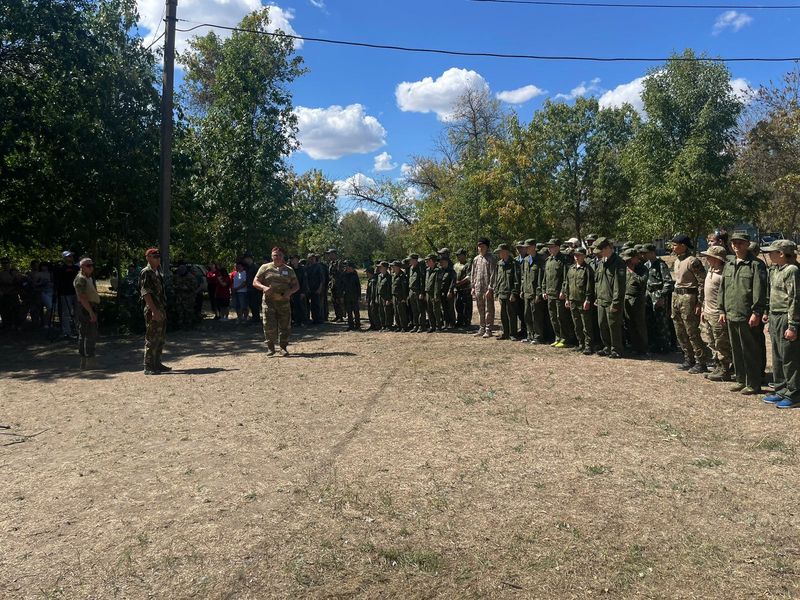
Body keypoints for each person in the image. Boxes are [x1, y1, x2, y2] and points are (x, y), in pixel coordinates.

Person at [719, 233, 767, 395]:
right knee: (736, 349)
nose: (736, 245)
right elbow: (723, 289)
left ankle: (753, 383)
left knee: (750, 350)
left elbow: (759, 291)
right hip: (731, 312)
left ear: (747, 244)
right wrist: (722, 310)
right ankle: (741, 379)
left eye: (740, 243)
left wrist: (757, 312)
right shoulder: (729, 263)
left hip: (748, 315)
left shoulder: (756, 265)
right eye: (734, 243)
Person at [761, 240, 800, 408]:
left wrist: (793, 326)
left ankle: (794, 393)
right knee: (777, 356)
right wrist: (767, 314)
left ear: (782, 254)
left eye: (772, 251)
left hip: (786, 317)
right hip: (775, 316)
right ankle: (781, 389)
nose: (769, 254)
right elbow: (771, 295)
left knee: (789, 357)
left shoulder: (792, 270)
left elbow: (794, 299)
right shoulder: (775, 269)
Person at [671, 234, 710, 374]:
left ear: (683, 245)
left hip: (689, 298)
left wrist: (699, 303)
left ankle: (701, 361)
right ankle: (689, 358)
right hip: (676, 296)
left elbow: (701, 282)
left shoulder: (693, 261)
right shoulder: (676, 261)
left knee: (691, 331)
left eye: (675, 245)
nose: (672, 247)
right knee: (679, 330)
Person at [254, 247, 299, 356]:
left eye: (279, 255)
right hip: (269, 303)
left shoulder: (289, 270)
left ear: (283, 257)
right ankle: (270, 348)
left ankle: (283, 347)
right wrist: (263, 287)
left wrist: (290, 292)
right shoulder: (265, 268)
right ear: (271, 256)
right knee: (268, 325)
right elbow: (255, 282)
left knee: (285, 325)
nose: (277, 257)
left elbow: (296, 285)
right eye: (275, 255)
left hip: (283, 302)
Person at [699, 245, 732, 382]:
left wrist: (722, 311)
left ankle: (725, 369)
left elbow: (726, 295)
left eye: (709, 257)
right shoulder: (710, 270)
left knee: (721, 343)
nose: (707, 259)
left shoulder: (724, 274)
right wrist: (702, 308)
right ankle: (718, 366)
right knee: (711, 341)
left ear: (717, 259)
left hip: (718, 314)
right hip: (707, 312)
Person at [593, 237, 626, 359]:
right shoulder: (601, 262)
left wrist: (616, 303)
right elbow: (598, 281)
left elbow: (619, 286)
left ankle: (616, 349)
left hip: (612, 301)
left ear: (607, 248)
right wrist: (597, 297)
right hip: (601, 300)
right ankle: (607, 347)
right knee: (602, 325)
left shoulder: (618, 263)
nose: (599, 253)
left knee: (614, 326)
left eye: (601, 250)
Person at [139, 248, 169, 375]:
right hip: (153, 309)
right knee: (151, 337)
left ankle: (157, 363)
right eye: (155, 256)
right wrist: (153, 310)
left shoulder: (157, 272)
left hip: (160, 308)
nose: (158, 259)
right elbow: (146, 293)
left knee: (160, 337)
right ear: (148, 258)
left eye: (158, 256)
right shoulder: (146, 272)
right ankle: (148, 365)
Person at [643, 243, 675, 354]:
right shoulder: (646, 265)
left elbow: (668, 282)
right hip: (648, 296)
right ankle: (655, 345)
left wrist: (662, 297)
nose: (644, 255)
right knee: (650, 321)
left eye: (646, 253)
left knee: (662, 322)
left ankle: (665, 346)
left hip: (658, 295)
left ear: (652, 253)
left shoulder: (661, 265)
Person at [542, 239, 574, 348]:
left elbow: (566, 277)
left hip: (559, 294)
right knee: (553, 317)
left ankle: (564, 339)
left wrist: (563, 291)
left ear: (558, 247)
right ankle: (557, 337)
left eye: (552, 246)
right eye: (549, 247)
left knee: (561, 317)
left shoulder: (563, 260)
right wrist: (543, 290)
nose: (550, 249)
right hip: (550, 293)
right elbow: (545, 278)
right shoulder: (548, 260)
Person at [564, 246, 595, 355]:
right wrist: (567, 298)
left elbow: (589, 286)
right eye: (575, 255)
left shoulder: (587, 269)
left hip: (583, 301)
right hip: (573, 300)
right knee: (577, 324)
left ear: (584, 256)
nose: (576, 257)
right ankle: (580, 344)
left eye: (579, 255)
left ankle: (588, 346)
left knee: (586, 325)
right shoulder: (571, 269)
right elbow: (567, 284)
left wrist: (588, 300)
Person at [73, 257, 100, 369]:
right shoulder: (81, 279)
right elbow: (82, 297)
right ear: (82, 267)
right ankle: (86, 361)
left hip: (91, 307)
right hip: (85, 308)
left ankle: (89, 360)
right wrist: (90, 312)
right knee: (86, 334)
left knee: (91, 334)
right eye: (88, 265)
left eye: (92, 265)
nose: (91, 267)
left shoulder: (89, 278)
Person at [622, 248, 649, 356]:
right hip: (626, 298)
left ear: (635, 258)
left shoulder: (642, 268)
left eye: (629, 260)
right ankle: (633, 346)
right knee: (629, 324)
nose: (627, 262)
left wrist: (632, 272)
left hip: (637, 299)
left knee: (639, 324)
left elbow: (642, 282)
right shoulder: (625, 267)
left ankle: (643, 348)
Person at [471, 237, 497, 338]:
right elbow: (473, 273)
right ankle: (481, 328)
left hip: (487, 289)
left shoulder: (491, 258)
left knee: (489, 309)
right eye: (479, 246)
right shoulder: (476, 259)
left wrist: (490, 288)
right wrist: (473, 287)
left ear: (487, 247)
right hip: (478, 288)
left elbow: (493, 274)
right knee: (480, 308)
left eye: (482, 246)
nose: (480, 248)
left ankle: (488, 329)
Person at [494, 244, 519, 340]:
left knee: (511, 314)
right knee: (503, 315)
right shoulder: (499, 264)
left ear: (506, 252)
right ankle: (505, 333)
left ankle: (513, 334)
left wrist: (514, 293)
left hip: (510, 293)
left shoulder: (513, 263)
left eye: (501, 251)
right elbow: (498, 279)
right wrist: (497, 292)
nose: (499, 254)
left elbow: (516, 280)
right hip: (501, 292)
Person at [54, 251, 79, 338]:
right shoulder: (60, 268)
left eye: (71, 256)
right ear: (64, 258)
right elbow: (57, 280)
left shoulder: (76, 268)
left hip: (76, 293)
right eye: (68, 256)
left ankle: (78, 330)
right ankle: (66, 332)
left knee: (78, 312)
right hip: (65, 293)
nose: (71, 257)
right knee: (66, 313)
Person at [453, 249, 472, 328]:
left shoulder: (468, 265)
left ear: (464, 255)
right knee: (458, 305)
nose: (458, 257)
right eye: (457, 255)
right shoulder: (455, 265)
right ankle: (459, 321)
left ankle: (467, 322)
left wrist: (460, 283)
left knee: (466, 307)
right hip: (457, 290)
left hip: (465, 289)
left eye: (459, 255)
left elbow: (469, 277)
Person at [424, 254, 442, 333]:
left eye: (428, 261)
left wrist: (436, 295)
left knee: (436, 310)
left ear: (432, 261)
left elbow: (437, 284)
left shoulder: (438, 270)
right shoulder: (428, 270)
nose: (427, 262)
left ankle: (439, 326)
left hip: (434, 294)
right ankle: (432, 326)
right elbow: (426, 282)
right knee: (429, 310)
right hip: (428, 293)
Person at [341, 261, 362, 331]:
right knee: (349, 311)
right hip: (346, 295)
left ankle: (358, 325)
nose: (348, 269)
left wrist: (359, 295)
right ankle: (351, 325)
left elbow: (358, 286)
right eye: (347, 267)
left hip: (354, 295)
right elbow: (341, 286)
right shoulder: (343, 274)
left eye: (350, 267)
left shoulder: (354, 274)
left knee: (356, 311)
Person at [306, 254, 326, 325]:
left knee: (318, 304)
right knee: (312, 305)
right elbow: (306, 279)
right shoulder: (307, 267)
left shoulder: (318, 267)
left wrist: (320, 288)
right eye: (310, 258)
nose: (311, 259)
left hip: (317, 288)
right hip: (310, 289)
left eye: (313, 258)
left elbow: (322, 279)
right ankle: (314, 319)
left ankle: (319, 319)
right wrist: (307, 287)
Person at [406, 254, 424, 332]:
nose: (409, 261)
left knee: (420, 309)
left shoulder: (420, 268)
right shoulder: (410, 268)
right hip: (411, 291)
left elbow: (422, 281)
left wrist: (421, 292)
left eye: (410, 260)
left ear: (415, 260)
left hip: (418, 291)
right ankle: (415, 325)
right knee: (414, 310)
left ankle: (421, 326)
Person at [289, 255, 309, 327]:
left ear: (297, 260)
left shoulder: (302, 269)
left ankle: (304, 321)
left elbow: (305, 281)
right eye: (291, 260)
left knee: (302, 306)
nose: (293, 261)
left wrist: (303, 292)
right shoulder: (290, 269)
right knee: (294, 307)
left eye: (294, 259)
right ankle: (297, 321)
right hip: (293, 291)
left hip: (301, 291)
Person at [327, 249, 345, 322]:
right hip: (333, 285)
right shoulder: (331, 263)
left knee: (339, 300)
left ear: (334, 254)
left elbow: (340, 274)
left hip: (339, 285)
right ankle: (337, 315)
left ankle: (341, 316)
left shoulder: (339, 263)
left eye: (330, 254)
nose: (329, 255)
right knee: (334, 300)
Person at [438, 255, 456, 329]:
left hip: (449, 292)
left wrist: (450, 291)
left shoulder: (451, 271)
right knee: (444, 308)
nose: (440, 263)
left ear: (446, 262)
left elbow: (453, 281)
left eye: (442, 262)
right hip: (442, 292)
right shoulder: (440, 271)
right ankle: (446, 323)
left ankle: (452, 323)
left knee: (450, 308)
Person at [391, 261, 409, 331]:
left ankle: (404, 326)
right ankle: (398, 326)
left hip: (400, 297)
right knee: (396, 312)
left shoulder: (402, 276)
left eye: (394, 266)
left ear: (398, 267)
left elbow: (404, 288)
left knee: (402, 312)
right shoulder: (394, 275)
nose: (392, 268)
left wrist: (404, 298)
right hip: (394, 296)